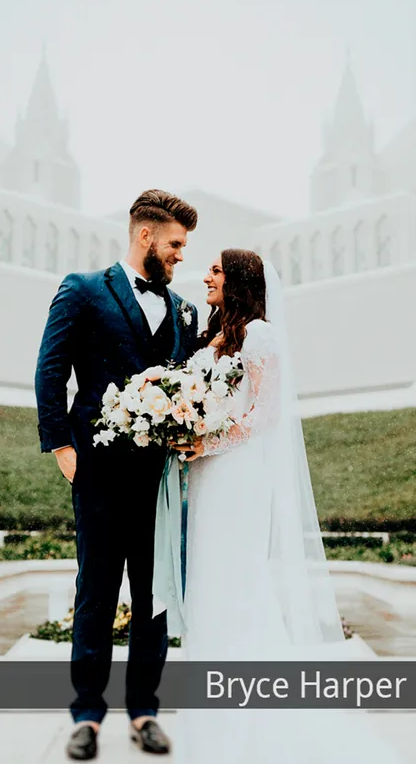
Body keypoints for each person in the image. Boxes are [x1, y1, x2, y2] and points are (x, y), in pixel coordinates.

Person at [166, 249, 404, 763]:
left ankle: (249, 722)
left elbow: (265, 416)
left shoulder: (260, 336)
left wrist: (208, 442)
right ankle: (210, 718)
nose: (206, 277)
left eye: (216, 270)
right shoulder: (217, 337)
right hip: (206, 476)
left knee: (235, 585)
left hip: (237, 477)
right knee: (207, 585)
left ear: (239, 281)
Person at [34, 189, 198, 760]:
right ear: (145, 235)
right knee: (96, 595)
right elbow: (51, 369)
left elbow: (192, 384)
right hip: (98, 474)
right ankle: (87, 715)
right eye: (175, 243)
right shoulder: (83, 289)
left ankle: (145, 711)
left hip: (160, 481)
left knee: (155, 599)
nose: (181, 255)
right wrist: (61, 446)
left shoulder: (185, 311)